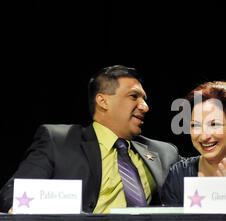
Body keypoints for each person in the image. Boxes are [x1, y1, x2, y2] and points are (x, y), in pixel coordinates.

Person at [0, 65, 180, 213]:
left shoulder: (164, 152)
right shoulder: (58, 141)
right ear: (103, 101)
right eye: (134, 96)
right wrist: (16, 208)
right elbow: (14, 191)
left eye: (145, 99)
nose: (145, 107)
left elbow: (200, 174)